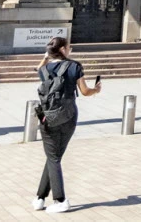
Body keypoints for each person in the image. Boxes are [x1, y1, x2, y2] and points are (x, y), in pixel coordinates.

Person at [32, 36, 100, 214]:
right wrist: (96, 89)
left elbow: (38, 69)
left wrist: (46, 56)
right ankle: (44, 198)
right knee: (54, 157)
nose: (70, 49)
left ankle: (55, 199)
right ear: (62, 49)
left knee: (53, 156)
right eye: (69, 47)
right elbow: (84, 91)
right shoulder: (74, 66)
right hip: (69, 116)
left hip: (48, 117)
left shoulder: (44, 69)